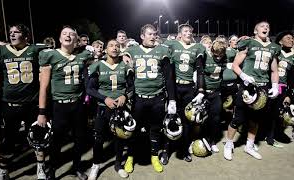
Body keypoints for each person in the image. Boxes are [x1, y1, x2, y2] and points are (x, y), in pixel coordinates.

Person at [0, 23, 49, 180]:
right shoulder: (1, 51)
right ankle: (3, 170)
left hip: (31, 104)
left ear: (26, 36)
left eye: (17, 32)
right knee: (6, 141)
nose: (12, 34)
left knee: (38, 138)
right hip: (8, 105)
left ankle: (41, 167)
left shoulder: (35, 50)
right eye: (10, 32)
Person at [37, 25, 93, 180]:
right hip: (59, 105)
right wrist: (42, 112)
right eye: (64, 34)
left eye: (71, 34)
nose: (68, 36)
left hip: (78, 104)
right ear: (60, 38)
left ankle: (76, 167)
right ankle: (52, 170)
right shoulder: (50, 55)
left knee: (79, 139)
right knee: (56, 142)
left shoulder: (82, 56)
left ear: (76, 40)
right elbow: (44, 87)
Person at [223, 21, 280, 160]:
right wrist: (243, 76)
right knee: (238, 118)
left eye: (268, 26)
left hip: (263, 87)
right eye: (262, 26)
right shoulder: (249, 43)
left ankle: (249, 145)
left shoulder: (273, 47)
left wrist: (275, 85)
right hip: (247, 86)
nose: (265, 28)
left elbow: (274, 70)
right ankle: (229, 144)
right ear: (255, 31)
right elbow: (235, 65)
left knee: (256, 119)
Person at [122, 24, 175, 173]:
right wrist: (123, 54)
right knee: (134, 129)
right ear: (142, 36)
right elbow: (118, 55)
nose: (153, 37)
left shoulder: (162, 50)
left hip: (157, 98)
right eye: (150, 34)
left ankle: (154, 156)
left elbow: (169, 77)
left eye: (155, 34)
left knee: (156, 129)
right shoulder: (132, 50)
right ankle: (130, 157)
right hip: (138, 98)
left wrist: (171, 99)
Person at [86, 39, 134, 179]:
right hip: (103, 108)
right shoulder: (98, 65)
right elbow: (90, 89)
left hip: (120, 108)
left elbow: (131, 86)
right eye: (111, 46)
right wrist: (104, 98)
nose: (114, 48)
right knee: (98, 139)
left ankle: (118, 164)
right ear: (106, 50)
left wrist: (125, 96)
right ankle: (95, 165)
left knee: (119, 138)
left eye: (117, 46)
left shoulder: (124, 66)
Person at [163, 24, 205, 163]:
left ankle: (184, 149)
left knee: (187, 120)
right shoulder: (172, 45)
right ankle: (166, 150)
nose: (189, 33)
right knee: (170, 118)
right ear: (180, 34)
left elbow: (200, 70)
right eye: (186, 31)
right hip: (174, 87)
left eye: (190, 31)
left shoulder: (197, 47)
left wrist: (200, 90)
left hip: (188, 88)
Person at [265, 31, 294, 147]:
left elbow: (293, 79)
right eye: (288, 38)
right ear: (280, 41)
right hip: (269, 85)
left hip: (282, 87)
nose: (291, 40)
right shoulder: (275, 51)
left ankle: (272, 137)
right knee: (265, 111)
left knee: (276, 112)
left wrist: (289, 95)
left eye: (292, 38)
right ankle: (260, 135)